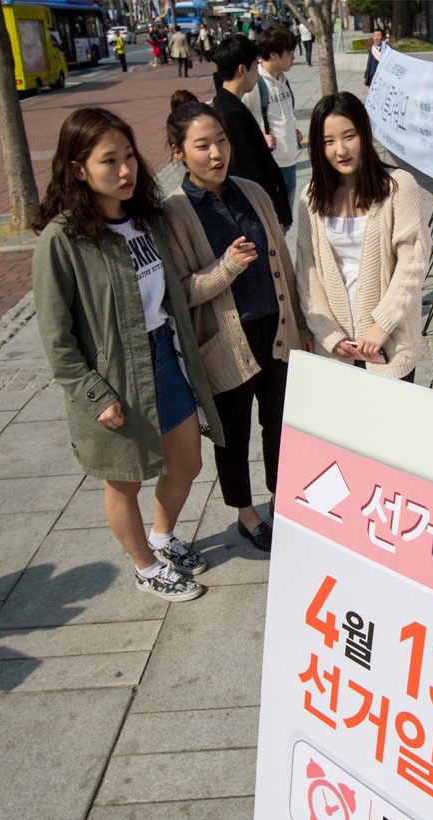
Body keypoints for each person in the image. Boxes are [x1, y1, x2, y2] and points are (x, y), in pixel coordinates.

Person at [32, 108, 224, 601]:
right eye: (109, 160)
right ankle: (145, 567)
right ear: (78, 169)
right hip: (112, 376)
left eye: (129, 156)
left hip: (164, 357)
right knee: (124, 483)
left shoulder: (146, 221)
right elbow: (56, 337)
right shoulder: (63, 239)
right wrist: (94, 395)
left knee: (187, 463)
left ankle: (161, 536)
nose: (125, 170)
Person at [162, 94, 313, 552]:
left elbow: (282, 262)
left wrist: (300, 324)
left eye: (222, 141)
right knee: (232, 434)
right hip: (224, 342)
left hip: (275, 330)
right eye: (202, 145)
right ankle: (247, 514)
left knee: (279, 423)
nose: (216, 153)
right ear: (178, 153)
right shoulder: (174, 213)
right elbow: (179, 293)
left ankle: (282, 500)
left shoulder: (252, 191)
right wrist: (225, 268)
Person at [296, 92, 429, 382]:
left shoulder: (398, 187)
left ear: (365, 134)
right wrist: (328, 335)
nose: (341, 150)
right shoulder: (311, 197)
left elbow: (413, 263)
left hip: (389, 346)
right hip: (337, 350)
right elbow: (307, 273)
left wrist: (382, 324)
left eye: (349, 136)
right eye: (329, 141)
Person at [212, 34, 292, 229]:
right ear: (242, 69)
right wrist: (271, 213)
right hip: (257, 215)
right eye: (255, 67)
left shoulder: (228, 105)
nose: (257, 73)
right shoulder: (231, 113)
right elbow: (248, 172)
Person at [242, 25, 303, 221]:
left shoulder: (284, 81)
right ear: (274, 55)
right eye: (289, 52)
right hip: (271, 167)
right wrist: (259, 138)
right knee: (273, 223)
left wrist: (292, 131)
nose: (293, 56)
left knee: (286, 222)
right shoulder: (255, 83)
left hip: (290, 162)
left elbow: (284, 115)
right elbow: (234, 118)